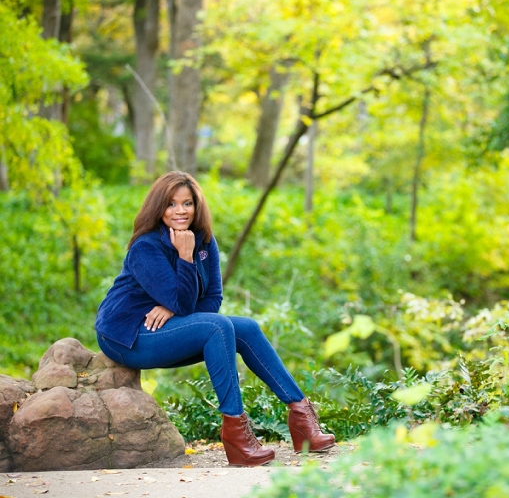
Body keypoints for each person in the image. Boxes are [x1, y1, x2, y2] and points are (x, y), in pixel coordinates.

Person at [95, 171, 334, 467]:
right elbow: (188, 306)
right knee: (217, 326)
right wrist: (184, 258)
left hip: (167, 325)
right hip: (128, 335)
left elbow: (212, 300)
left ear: (197, 206)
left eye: (187, 203)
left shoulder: (205, 241)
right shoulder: (146, 247)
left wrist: (171, 306)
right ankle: (236, 435)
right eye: (170, 204)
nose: (180, 211)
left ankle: (301, 418)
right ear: (158, 208)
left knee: (246, 327)